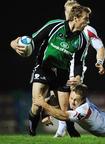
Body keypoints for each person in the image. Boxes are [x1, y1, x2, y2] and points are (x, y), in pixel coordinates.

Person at [10, 5, 92, 136]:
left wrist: (77, 76)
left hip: (62, 73)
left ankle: (71, 130)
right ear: (76, 18)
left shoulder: (82, 39)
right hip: (43, 68)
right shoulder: (54, 26)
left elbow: (79, 62)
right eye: (86, 19)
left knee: (64, 111)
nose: (88, 22)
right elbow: (32, 40)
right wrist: (15, 44)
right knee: (36, 103)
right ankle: (32, 132)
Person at [42, 0, 105, 137]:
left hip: (74, 70)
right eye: (66, 11)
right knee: (54, 96)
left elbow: (100, 47)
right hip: (56, 68)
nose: (68, 14)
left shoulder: (87, 30)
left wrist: (99, 61)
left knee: (69, 98)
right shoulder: (60, 27)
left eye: (70, 11)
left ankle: (63, 128)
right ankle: (63, 124)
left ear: (76, 13)